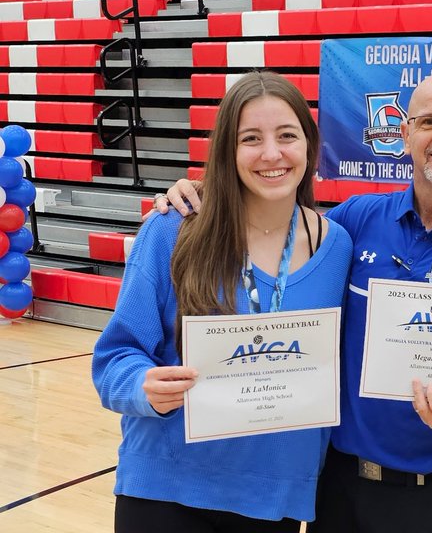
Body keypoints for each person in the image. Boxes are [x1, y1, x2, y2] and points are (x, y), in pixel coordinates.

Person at [154, 71, 432, 533]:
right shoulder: (354, 222)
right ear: (405, 134)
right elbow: (272, 221)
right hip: (338, 491)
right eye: (429, 122)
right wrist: (207, 193)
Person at [93, 71, 352, 532]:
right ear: (227, 152)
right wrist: (143, 386)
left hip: (276, 499)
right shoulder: (173, 228)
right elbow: (114, 359)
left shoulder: (337, 247)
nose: (272, 153)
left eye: (287, 135)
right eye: (251, 138)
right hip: (166, 491)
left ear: (310, 146)